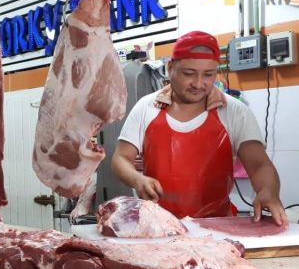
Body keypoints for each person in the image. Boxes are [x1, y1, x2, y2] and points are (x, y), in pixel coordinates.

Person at [111, 31, 288, 226]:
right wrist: (137, 179)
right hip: (157, 226)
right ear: (170, 68)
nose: (198, 83)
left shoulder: (234, 111)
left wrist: (268, 192)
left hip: (218, 225)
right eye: (189, 73)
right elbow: (120, 158)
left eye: (208, 75)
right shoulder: (146, 107)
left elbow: (259, 165)